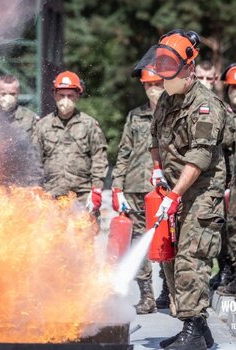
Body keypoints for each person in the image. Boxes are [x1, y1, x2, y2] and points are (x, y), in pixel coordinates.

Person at [134, 29, 226, 349]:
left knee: (191, 258)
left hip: (201, 192)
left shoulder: (206, 106)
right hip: (173, 191)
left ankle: (193, 332)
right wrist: (158, 172)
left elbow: (199, 157)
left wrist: (175, 194)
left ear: (188, 69)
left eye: (168, 75)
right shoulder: (166, 102)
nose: (163, 81)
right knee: (170, 260)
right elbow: (154, 139)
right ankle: (196, 327)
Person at [112, 68, 166, 315]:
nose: (152, 89)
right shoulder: (135, 116)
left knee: (168, 239)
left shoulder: (174, 114)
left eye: (157, 83)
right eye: (148, 85)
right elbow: (124, 152)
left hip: (166, 188)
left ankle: (171, 293)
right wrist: (117, 186)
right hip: (135, 186)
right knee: (137, 242)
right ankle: (147, 296)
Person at [32, 71, 108, 217]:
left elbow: (99, 159)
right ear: (55, 95)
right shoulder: (42, 126)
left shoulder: (89, 125)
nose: (65, 100)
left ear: (77, 96)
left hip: (81, 197)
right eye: (61, 95)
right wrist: (36, 189)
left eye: (70, 96)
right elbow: (35, 161)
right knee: (51, 239)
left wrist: (96, 190)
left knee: (83, 237)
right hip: (51, 197)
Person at [195, 61, 235, 290]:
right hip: (218, 179)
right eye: (201, 78)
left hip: (227, 178)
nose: (205, 84)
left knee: (232, 228)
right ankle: (225, 272)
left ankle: (230, 272)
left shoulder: (220, 108)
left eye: (210, 79)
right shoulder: (216, 108)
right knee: (220, 228)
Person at [217, 63, 236, 296]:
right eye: (232, 89)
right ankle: (229, 272)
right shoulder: (222, 113)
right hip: (227, 182)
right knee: (228, 229)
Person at [0, 75, 38, 140]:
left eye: (12, 94)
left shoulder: (30, 118)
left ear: (18, 93)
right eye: (3, 94)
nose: (8, 98)